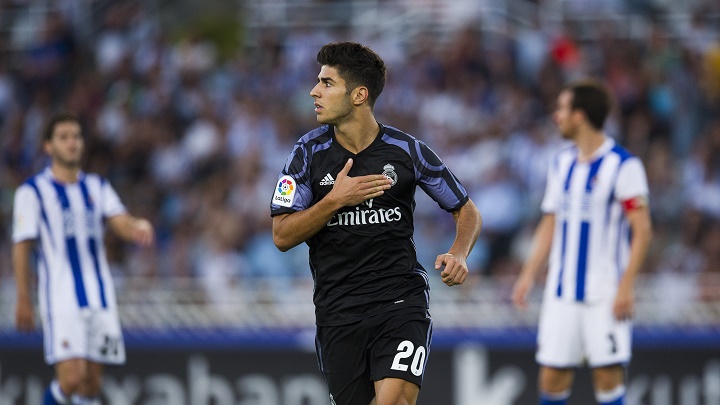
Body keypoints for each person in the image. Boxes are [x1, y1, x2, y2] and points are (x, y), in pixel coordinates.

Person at [270, 42, 482, 405]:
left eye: (327, 83)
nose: (314, 91)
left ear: (359, 94)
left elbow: (466, 210)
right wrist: (335, 200)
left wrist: (459, 252)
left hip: (400, 302)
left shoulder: (407, 151)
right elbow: (282, 235)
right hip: (337, 313)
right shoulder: (306, 154)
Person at [511, 80, 653, 405]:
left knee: (607, 377)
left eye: (562, 109)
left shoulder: (625, 165)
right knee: (552, 378)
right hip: (561, 293)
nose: (555, 116)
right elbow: (550, 222)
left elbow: (642, 230)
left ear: (580, 116)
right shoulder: (561, 163)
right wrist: (528, 274)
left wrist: (627, 286)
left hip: (605, 293)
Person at [12, 112, 154, 405]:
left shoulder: (96, 186)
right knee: (71, 378)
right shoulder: (33, 191)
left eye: (76, 136)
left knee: (90, 384)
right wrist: (23, 297)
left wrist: (137, 226)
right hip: (61, 296)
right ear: (48, 146)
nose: (72, 143)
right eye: (63, 137)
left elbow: (120, 221)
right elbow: (22, 245)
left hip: (99, 295)